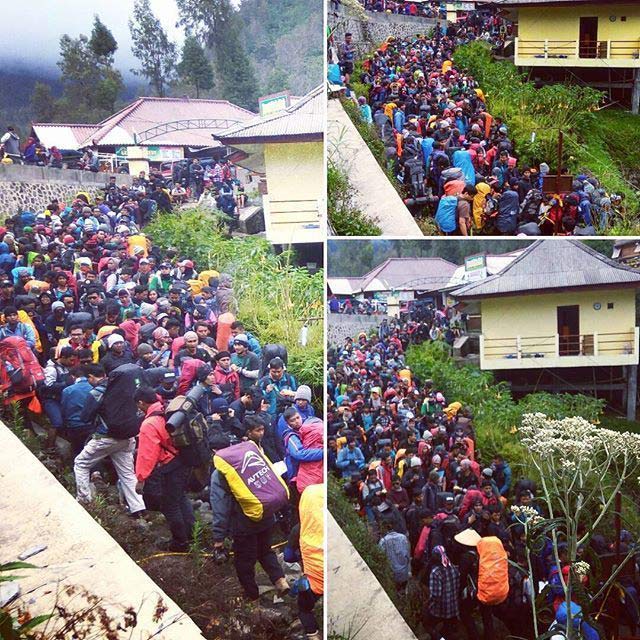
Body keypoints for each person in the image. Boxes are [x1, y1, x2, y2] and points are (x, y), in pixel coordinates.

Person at [73, 363, 146, 516]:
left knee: (81, 464)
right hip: (128, 437)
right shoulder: (124, 388)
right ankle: (138, 509)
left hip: (106, 438)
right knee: (127, 474)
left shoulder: (97, 392)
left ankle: (85, 502)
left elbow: (85, 417)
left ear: (91, 377)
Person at [134, 386, 195, 552]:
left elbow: (147, 455)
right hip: (183, 460)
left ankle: (180, 543)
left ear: (141, 403)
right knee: (181, 498)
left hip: (170, 466)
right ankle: (191, 535)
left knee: (170, 505)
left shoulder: (149, 424)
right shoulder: (166, 411)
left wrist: (141, 479)